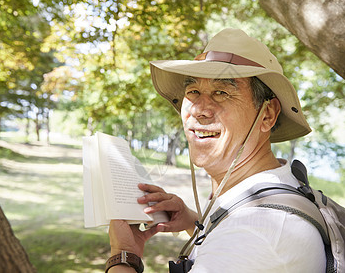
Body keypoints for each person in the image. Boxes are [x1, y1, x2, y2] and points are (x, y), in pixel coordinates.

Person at [105, 28, 326, 273]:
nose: (199, 109)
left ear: (268, 114)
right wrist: (193, 222)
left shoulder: (254, 234)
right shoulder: (271, 195)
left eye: (221, 92)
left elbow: (243, 246)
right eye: (193, 92)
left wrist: (124, 255)